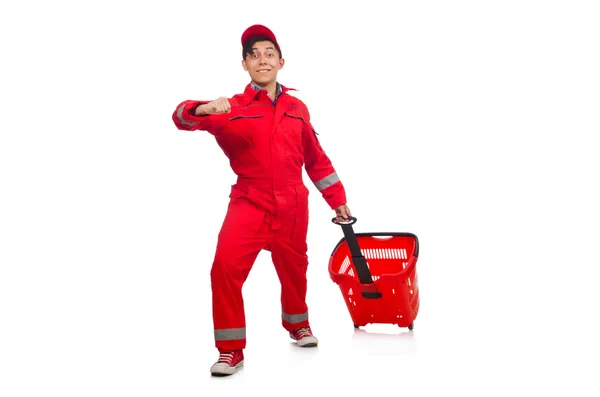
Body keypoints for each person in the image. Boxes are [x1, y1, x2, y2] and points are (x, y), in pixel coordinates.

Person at [171, 24, 352, 376]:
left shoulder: (298, 108)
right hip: (249, 201)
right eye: (254, 55)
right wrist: (203, 108)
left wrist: (337, 198)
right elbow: (180, 118)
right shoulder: (229, 107)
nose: (262, 60)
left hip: (292, 202)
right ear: (245, 66)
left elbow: (315, 159)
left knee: (294, 268)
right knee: (224, 267)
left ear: (281, 62)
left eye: (269, 54)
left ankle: (298, 325)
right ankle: (230, 351)